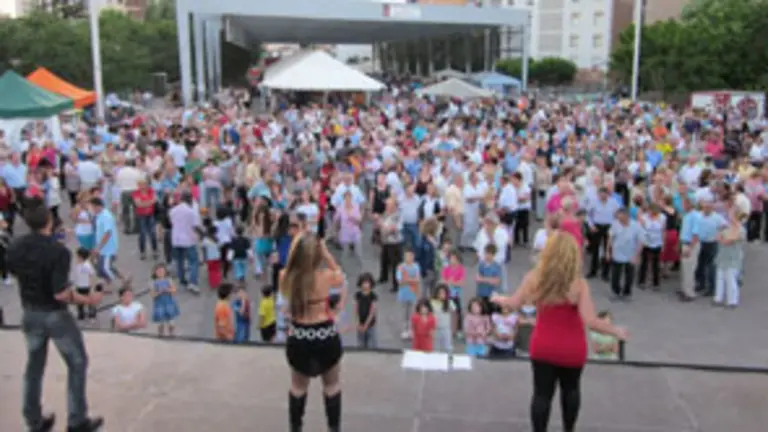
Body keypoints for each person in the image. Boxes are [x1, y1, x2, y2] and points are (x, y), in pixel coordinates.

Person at [491, 232, 628, 432]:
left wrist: (500, 299)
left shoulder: (534, 279)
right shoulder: (579, 284)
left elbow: (513, 304)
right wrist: (616, 330)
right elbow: (590, 320)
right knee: (571, 390)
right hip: (572, 347)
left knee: (541, 395)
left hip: (544, 345)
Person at [7, 201, 104, 432]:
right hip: (55, 315)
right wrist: (88, 300)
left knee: (34, 368)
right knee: (77, 363)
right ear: (49, 221)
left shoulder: (16, 246)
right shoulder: (57, 251)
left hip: (30, 312)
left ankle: (34, 420)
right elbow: (60, 293)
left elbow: (12, 271)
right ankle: (76, 420)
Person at [280, 235, 345, 432]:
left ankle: (296, 427)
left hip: (300, 334)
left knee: (298, 387)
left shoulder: (286, 277)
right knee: (332, 386)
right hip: (325, 332)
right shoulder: (326, 276)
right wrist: (326, 253)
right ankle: (333, 428)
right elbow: (340, 275)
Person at [396, 249, 421, 339]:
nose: (408, 258)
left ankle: (411, 330)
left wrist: (407, 280)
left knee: (412, 313)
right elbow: (399, 281)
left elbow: (417, 280)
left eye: (410, 256)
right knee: (404, 313)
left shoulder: (416, 266)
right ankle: (404, 330)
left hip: (413, 293)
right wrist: (411, 280)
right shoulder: (400, 267)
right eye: (407, 256)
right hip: (403, 294)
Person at [149, 263, 179, 337]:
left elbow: (174, 290)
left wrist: (168, 290)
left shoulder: (168, 280)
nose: (160, 273)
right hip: (159, 303)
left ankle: (172, 333)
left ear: (165, 272)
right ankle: (160, 333)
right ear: (155, 272)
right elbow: (152, 295)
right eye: (158, 271)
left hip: (169, 303)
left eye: (162, 271)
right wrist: (159, 292)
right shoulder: (153, 282)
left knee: (171, 321)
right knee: (160, 322)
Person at [72, 248, 97, 322]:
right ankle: (81, 315)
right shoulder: (78, 264)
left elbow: (91, 275)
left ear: (81, 257)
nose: (76, 258)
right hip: (79, 286)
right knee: (79, 301)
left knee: (89, 301)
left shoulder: (86, 265)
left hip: (86, 287)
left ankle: (92, 315)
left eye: (77, 256)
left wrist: (91, 287)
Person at [354, 273, 378, 349]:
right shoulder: (357, 295)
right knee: (360, 344)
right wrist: (358, 322)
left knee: (371, 344)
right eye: (364, 283)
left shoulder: (373, 296)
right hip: (360, 323)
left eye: (367, 283)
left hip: (370, 324)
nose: (365, 285)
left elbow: (372, 311)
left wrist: (366, 324)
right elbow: (356, 309)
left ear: (371, 284)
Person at [431, 284, 456, 353]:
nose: (442, 295)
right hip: (435, 328)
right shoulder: (432, 302)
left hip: (446, 329)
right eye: (440, 293)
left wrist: (454, 328)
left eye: (443, 293)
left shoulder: (449, 302)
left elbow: (455, 314)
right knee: (435, 347)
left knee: (448, 347)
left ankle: (449, 361)